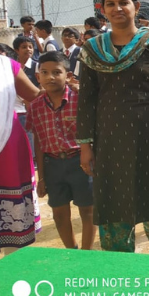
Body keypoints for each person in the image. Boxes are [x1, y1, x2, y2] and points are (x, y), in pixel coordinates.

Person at [77, 0, 149, 254]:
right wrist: (86, 146)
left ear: (135, 7)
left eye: (123, 2)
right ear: (103, 10)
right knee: (115, 205)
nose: (117, 8)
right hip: (110, 143)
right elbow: (86, 100)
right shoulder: (92, 49)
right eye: (110, 4)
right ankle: (121, 271)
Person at [28, 51, 95, 250]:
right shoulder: (35, 106)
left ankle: (87, 253)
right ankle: (71, 251)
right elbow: (39, 141)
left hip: (80, 162)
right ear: (38, 77)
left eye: (57, 72)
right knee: (59, 213)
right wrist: (41, 177)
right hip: (52, 165)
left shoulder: (80, 99)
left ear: (68, 75)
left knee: (88, 210)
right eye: (45, 72)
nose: (50, 77)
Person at [0, 52, 42, 255]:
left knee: (13, 224)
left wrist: (65, 88)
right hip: (8, 143)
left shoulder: (4, 65)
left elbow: (35, 96)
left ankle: (11, 266)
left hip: (6, 143)